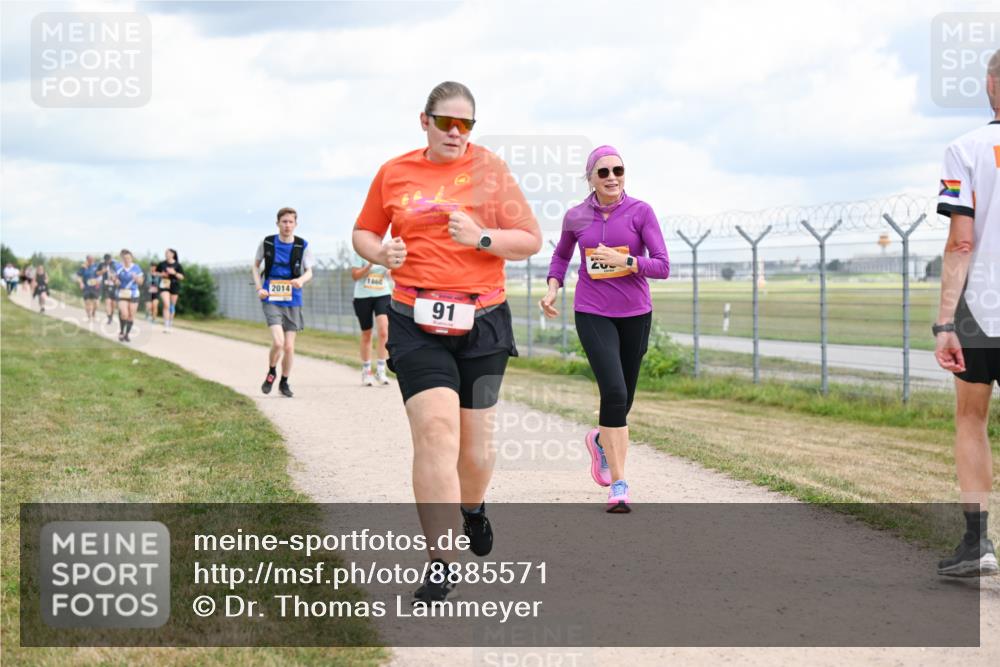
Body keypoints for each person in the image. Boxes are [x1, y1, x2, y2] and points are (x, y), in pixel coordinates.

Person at [353, 81, 542, 603]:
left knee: (475, 449)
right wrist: (380, 253)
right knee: (436, 432)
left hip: (482, 320)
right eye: (447, 123)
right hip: (415, 318)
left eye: (467, 125)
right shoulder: (394, 172)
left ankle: (473, 508)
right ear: (425, 122)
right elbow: (364, 232)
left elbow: (529, 240)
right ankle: (441, 558)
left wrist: (481, 237)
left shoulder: (492, 170)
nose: (457, 133)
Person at [541, 145, 670, 513]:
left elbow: (662, 266)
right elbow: (561, 256)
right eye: (604, 172)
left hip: (635, 314)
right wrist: (553, 287)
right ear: (590, 178)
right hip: (593, 311)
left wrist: (627, 261)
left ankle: (600, 439)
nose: (612, 177)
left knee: (623, 399)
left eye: (618, 170)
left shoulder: (641, 212)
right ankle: (619, 483)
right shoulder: (576, 216)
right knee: (613, 391)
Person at [932, 48, 1000, 578]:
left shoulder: (966, 149)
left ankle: (978, 544)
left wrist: (945, 322)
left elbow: (961, 242)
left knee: (972, 418)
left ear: (989, 84)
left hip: (984, 307)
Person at [252, 207, 315, 398]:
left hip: (292, 297)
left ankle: (284, 381)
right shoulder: (267, 242)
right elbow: (255, 266)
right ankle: (272, 370)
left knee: (288, 346)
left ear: (296, 224)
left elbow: (309, 271)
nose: (287, 225)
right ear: (277, 223)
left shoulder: (302, 245)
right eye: (284, 221)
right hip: (271, 296)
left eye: (290, 222)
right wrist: (259, 288)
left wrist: (301, 280)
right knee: (278, 342)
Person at [350, 251, 392, 385]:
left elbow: (391, 273)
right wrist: (369, 266)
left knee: (384, 330)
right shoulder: (360, 252)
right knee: (366, 333)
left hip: (383, 294)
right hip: (363, 296)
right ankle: (366, 370)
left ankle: (381, 369)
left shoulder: (386, 251)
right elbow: (355, 276)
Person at [115, 250, 144, 342]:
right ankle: (121, 332)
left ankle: (127, 334)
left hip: (134, 293)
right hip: (122, 292)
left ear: (132, 258)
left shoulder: (136, 268)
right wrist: (116, 282)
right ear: (122, 259)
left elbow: (141, 282)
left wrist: (136, 278)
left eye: (129, 258)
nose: (127, 260)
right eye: (125, 258)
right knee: (124, 314)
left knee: (131, 315)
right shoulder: (119, 267)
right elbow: (114, 279)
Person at [156, 248, 185, 332]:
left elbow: (182, 277)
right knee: (166, 304)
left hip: (174, 285)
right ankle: (166, 325)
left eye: (168, 253)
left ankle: (170, 323)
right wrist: (162, 274)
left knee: (172, 306)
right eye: (165, 253)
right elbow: (156, 273)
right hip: (164, 284)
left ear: (173, 254)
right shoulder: (162, 264)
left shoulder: (178, 265)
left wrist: (174, 273)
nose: (166, 254)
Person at [75, 255, 101, 322]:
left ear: (93, 259)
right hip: (86, 288)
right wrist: (81, 283)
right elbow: (78, 276)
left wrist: (99, 281)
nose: (91, 260)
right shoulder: (83, 267)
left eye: (92, 259)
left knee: (96, 303)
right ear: (87, 260)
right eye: (89, 259)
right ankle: (89, 316)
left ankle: (94, 314)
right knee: (87, 303)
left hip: (95, 287)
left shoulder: (97, 266)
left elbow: (101, 274)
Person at [96, 253, 120, 325]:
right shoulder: (101, 264)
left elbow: (119, 273)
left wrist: (115, 278)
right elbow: (97, 273)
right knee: (108, 302)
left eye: (109, 260)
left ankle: (111, 316)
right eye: (106, 260)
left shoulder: (115, 264)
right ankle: (109, 318)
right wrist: (103, 271)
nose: (108, 261)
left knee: (113, 304)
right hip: (106, 285)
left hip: (114, 286)